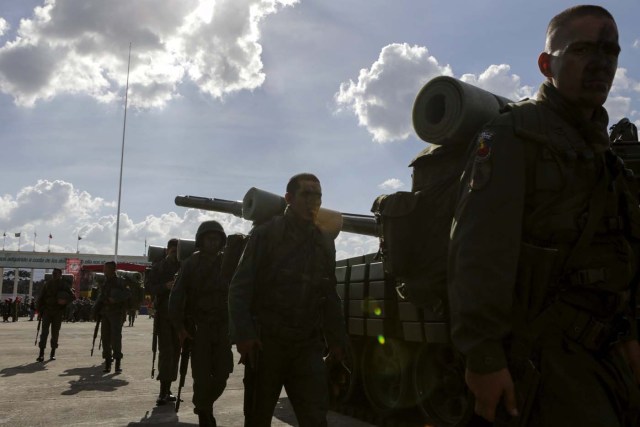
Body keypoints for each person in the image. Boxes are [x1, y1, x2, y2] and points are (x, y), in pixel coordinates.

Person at [448, 5, 640, 426]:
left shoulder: (605, 157)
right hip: (546, 356)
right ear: (546, 64)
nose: (601, 63)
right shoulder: (512, 135)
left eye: (610, 51)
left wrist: (628, 332)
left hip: (606, 349)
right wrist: (482, 358)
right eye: (583, 49)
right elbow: (479, 253)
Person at [229, 173, 347, 427]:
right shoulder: (266, 234)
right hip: (267, 343)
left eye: (317, 196)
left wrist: (337, 341)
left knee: (315, 418)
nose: (313, 201)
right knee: (258, 417)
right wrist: (245, 335)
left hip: (306, 345)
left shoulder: (324, 242)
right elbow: (240, 288)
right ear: (289, 198)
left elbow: (329, 295)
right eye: (306, 195)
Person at [169, 221, 233, 427]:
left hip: (223, 328)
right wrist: (180, 328)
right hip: (200, 327)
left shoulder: (228, 263)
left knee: (223, 374)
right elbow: (176, 297)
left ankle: (203, 404)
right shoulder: (191, 264)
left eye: (217, 239)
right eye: (209, 238)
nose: (213, 242)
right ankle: (205, 413)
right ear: (201, 241)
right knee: (202, 376)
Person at [148, 238, 181, 406]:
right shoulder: (159, 267)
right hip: (164, 315)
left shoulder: (185, 265)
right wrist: (165, 287)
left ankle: (168, 389)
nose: (175, 254)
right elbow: (149, 288)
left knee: (176, 353)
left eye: (177, 251)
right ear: (167, 250)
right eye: (172, 250)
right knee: (166, 352)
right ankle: (163, 389)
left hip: (181, 316)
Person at [94, 261, 129, 374]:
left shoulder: (120, 281)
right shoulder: (104, 282)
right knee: (105, 338)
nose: (104, 270)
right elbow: (101, 297)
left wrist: (116, 299)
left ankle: (117, 363)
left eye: (106, 268)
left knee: (116, 339)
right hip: (105, 314)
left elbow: (128, 294)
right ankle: (108, 362)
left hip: (116, 314)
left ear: (112, 269)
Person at [36, 268, 74, 362]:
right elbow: (41, 298)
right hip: (47, 311)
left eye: (56, 273)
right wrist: (40, 310)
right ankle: (41, 354)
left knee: (55, 333)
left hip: (58, 311)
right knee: (44, 332)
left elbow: (72, 296)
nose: (54, 275)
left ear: (60, 275)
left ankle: (52, 353)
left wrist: (65, 301)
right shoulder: (47, 284)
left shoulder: (64, 285)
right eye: (53, 273)